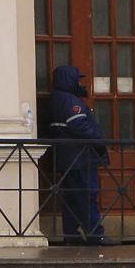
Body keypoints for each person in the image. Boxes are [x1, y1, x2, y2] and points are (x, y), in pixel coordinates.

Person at [44, 65, 118, 247]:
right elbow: (80, 126)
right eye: (77, 79)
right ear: (69, 80)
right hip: (79, 158)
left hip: (67, 158)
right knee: (86, 196)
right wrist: (99, 142)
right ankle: (95, 235)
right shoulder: (70, 101)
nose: (79, 83)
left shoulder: (56, 99)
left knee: (72, 198)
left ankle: (71, 234)